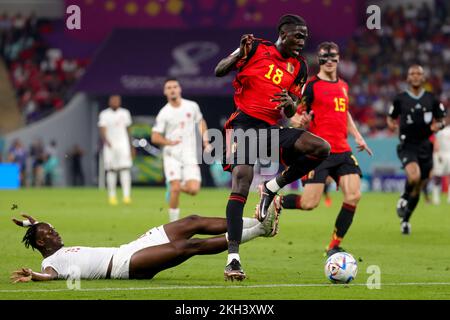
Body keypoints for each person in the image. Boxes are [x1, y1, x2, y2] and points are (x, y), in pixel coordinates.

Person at [214, 14, 330, 280]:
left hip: (270, 129)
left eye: (305, 37)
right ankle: (233, 259)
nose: (302, 41)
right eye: (297, 35)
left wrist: (289, 101)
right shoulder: (254, 47)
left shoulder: (300, 67)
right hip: (243, 124)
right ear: (283, 32)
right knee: (241, 182)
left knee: (321, 148)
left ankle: (271, 188)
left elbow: (291, 110)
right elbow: (219, 70)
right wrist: (237, 56)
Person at [10, 206, 280, 282]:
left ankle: (257, 220)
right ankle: (259, 230)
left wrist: (33, 224)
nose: (55, 231)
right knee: (189, 246)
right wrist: (34, 276)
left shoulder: (53, 245)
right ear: (42, 241)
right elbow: (49, 275)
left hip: (128, 249)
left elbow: (41, 231)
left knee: (191, 221)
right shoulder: (50, 262)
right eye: (50, 231)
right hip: (124, 266)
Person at [280, 42, 372, 257]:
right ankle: (276, 199)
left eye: (333, 56)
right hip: (318, 152)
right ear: (319, 60)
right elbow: (293, 113)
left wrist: (358, 136)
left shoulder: (344, 86)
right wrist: (300, 122)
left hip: (342, 149)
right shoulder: (311, 86)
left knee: (354, 195)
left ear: (339, 58)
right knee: (309, 203)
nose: (329, 61)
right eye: (324, 57)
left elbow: (345, 112)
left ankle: (333, 246)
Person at [387, 64, 447, 234]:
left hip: (425, 145)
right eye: (411, 73)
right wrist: (393, 126)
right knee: (414, 175)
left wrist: (439, 125)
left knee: (419, 186)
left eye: (418, 73)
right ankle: (403, 198)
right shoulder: (400, 99)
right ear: (407, 78)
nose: (414, 76)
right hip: (407, 144)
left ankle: (405, 220)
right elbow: (391, 118)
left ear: (423, 78)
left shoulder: (431, 98)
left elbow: (442, 119)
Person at [151, 78, 210, 222]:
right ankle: (173, 225)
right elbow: (155, 136)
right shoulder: (164, 113)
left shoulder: (191, 106)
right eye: (169, 87)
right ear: (165, 92)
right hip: (172, 155)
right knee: (176, 189)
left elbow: (201, 122)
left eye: (175, 87)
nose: (172, 89)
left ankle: (172, 186)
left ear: (180, 89)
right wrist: (168, 142)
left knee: (194, 190)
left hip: (189, 154)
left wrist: (206, 141)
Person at [98, 95, 134, 205]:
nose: (115, 102)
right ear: (109, 102)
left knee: (125, 169)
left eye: (117, 100)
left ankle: (126, 196)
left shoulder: (125, 113)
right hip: (110, 146)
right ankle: (112, 196)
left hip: (123, 145)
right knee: (111, 170)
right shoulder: (104, 114)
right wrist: (106, 140)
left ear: (120, 101)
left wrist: (131, 145)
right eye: (113, 100)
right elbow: (102, 128)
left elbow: (128, 130)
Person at [431, 114, 450, 205]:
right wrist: (437, 155)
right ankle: (436, 198)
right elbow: (436, 143)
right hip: (440, 155)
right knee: (438, 176)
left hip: (449, 154)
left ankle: (449, 198)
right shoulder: (439, 131)